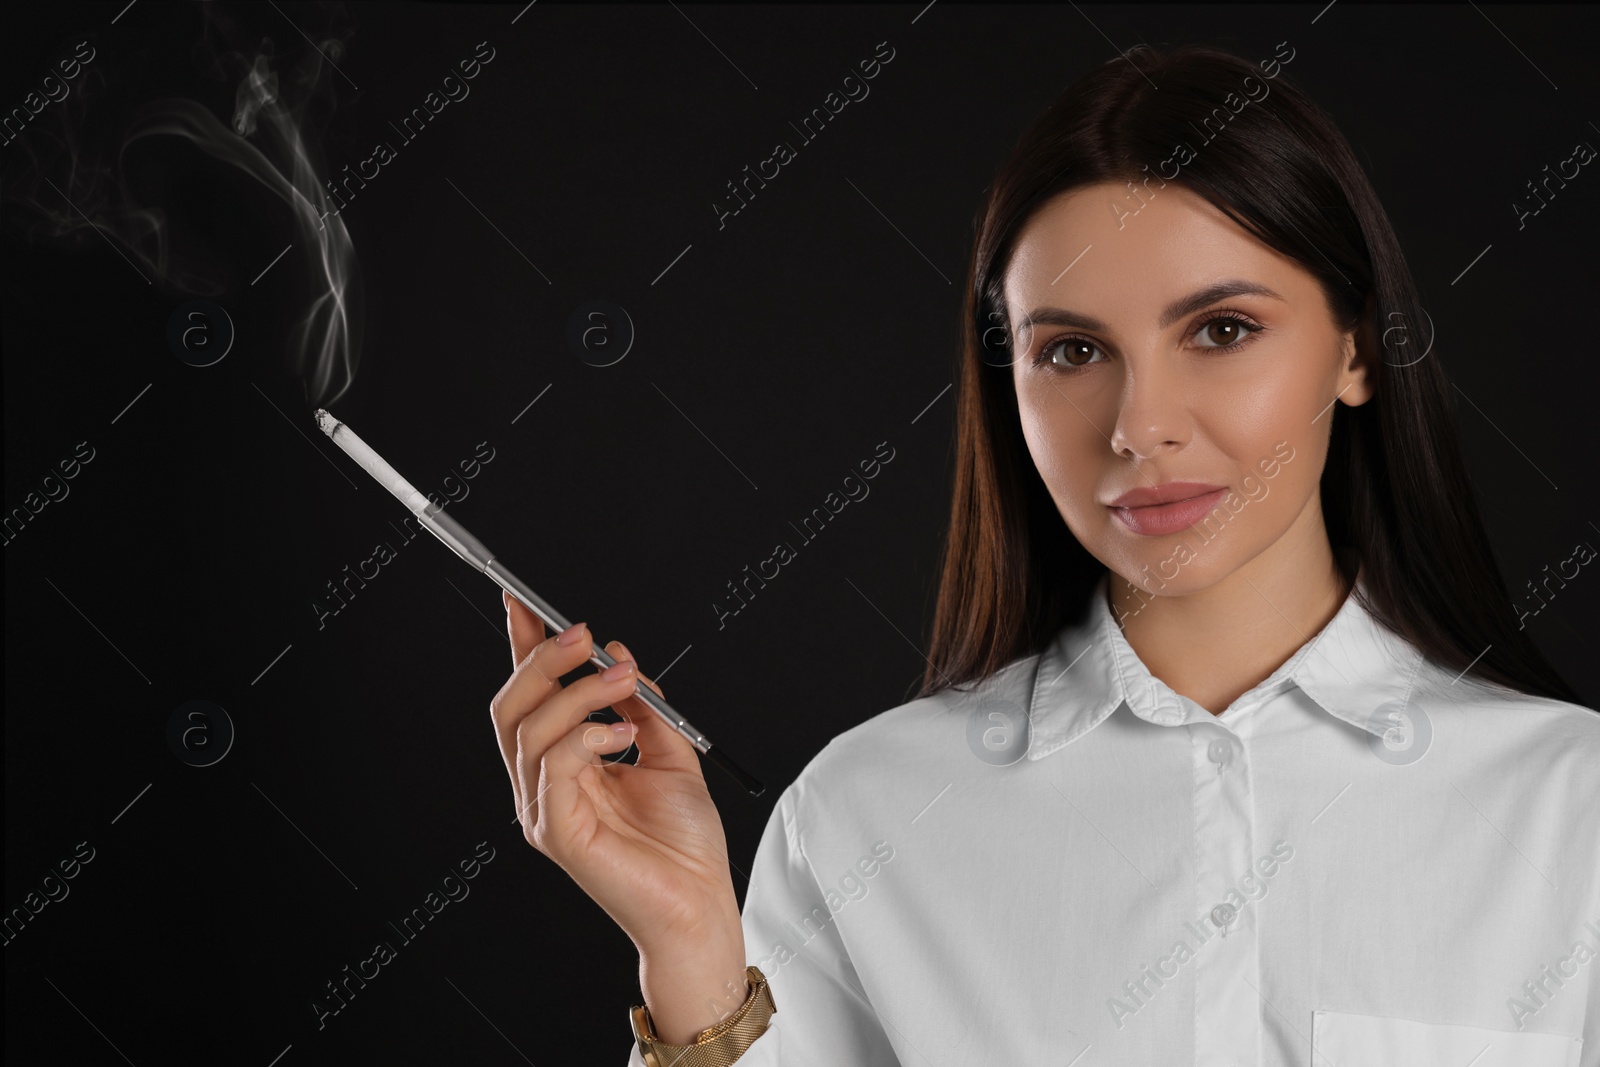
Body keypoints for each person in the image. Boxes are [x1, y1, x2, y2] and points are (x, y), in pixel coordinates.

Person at [488, 43, 1599, 1066]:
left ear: (1356, 347)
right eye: (1071, 350)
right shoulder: (865, 817)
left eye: (1220, 330)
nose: (1139, 425)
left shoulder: (1569, 809)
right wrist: (689, 953)